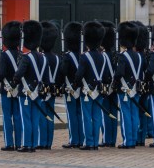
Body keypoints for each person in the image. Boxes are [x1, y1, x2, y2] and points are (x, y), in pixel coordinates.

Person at [13, 20, 47, 153]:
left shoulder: (26, 58)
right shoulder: (42, 57)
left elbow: (19, 74)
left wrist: (15, 79)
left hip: (26, 93)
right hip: (38, 92)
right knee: (35, 119)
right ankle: (33, 144)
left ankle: (27, 144)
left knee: (26, 119)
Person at [75, 21, 108, 150]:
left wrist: (76, 84)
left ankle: (89, 142)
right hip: (99, 90)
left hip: (87, 91)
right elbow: (105, 76)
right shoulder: (103, 57)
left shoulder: (84, 57)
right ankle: (95, 142)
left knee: (87, 117)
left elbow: (79, 75)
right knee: (97, 116)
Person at [115, 21, 143, 149]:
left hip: (125, 89)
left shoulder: (122, 56)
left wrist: (115, 83)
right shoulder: (138, 56)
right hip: (135, 88)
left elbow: (119, 72)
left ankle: (128, 141)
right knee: (134, 114)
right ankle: (134, 138)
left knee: (126, 115)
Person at [0, 21, 23, 151]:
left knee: (7, 116)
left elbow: (2, 73)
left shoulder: (4, 55)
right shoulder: (21, 54)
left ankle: (9, 143)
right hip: (18, 89)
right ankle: (18, 143)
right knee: (17, 116)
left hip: (6, 89)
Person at [60, 21, 83, 149]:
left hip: (70, 89)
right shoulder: (82, 56)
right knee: (80, 114)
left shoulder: (68, 57)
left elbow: (63, 72)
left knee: (72, 114)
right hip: (81, 88)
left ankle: (74, 139)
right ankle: (81, 138)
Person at [38, 21, 61, 149]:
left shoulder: (40, 57)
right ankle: (48, 142)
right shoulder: (57, 57)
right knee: (50, 116)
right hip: (52, 90)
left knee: (42, 115)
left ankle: (42, 142)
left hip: (41, 90)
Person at [100, 21, 118, 147]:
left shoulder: (103, 55)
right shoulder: (114, 54)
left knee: (106, 113)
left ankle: (107, 139)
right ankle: (112, 138)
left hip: (106, 87)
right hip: (115, 87)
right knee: (113, 113)